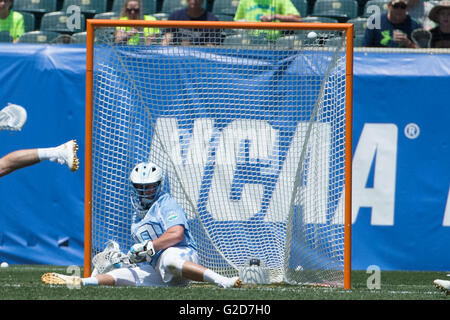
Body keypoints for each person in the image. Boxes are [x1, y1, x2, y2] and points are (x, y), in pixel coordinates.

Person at [41, 162, 242, 288]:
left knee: (168, 260)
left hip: (180, 254)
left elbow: (176, 234)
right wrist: (131, 258)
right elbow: (149, 256)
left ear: (159, 186)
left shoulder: (165, 202)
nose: (145, 192)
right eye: (140, 188)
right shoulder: (137, 218)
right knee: (118, 276)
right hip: (158, 270)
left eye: (149, 187)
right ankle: (78, 282)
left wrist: (149, 247)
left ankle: (223, 281)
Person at [233, 0, 302, 40]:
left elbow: (297, 19)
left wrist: (275, 16)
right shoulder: (244, 1)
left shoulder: (281, 1)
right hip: (250, 44)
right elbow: (236, 22)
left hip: (274, 43)